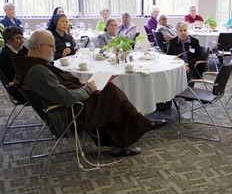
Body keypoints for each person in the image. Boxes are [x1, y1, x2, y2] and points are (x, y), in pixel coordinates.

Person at [11, 29, 168, 157]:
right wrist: (87, 89)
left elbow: (58, 90)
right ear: (40, 47)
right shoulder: (36, 71)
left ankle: (124, 138)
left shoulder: (28, 65)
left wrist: (82, 86)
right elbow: (65, 97)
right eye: (52, 47)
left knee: (108, 95)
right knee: (109, 94)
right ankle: (137, 126)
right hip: (69, 114)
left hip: (65, 108)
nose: (55, 50)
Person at [0, 26, 28, 102]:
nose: (22, 41)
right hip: (20, 91)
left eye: (22, 38)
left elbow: (27, 52)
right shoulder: (8, 56)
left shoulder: (9, 50)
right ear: (8, 40)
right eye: (18, 38)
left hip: (19, 86)